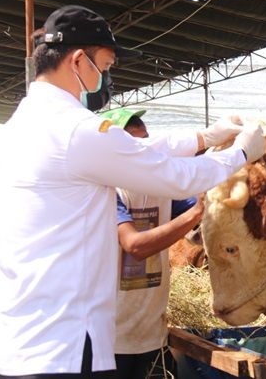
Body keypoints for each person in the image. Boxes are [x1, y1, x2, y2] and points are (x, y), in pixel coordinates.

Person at [0, 5, 266, 378]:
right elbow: (176, 177)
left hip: (14, 338)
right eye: (106, 66)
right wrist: (240, 153)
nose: (106, 77)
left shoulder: (27, 121)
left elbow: (137, 150)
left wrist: (205, 137)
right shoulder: (74, 130)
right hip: (58, 348)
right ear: (79, 60)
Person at [101, 108, 198, 378]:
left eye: (147, 142)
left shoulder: (159, 187)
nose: (144, 153)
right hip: (111, 337)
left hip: (151, 330)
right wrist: (198, 212)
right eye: (136, 144)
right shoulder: (108, 191)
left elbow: (195, 202)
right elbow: (135, 245)